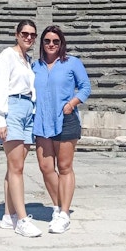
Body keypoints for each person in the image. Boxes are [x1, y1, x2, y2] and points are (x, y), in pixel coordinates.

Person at [32, 25, 91, 234]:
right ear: (42, 43)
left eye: (55, 41)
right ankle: (57, 207)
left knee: (64, 167)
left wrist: (72, 103)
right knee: (45, 167)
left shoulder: (72, 62)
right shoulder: (35, 66)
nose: (51, 44)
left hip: (65, 119)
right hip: (41, 121)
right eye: (47, 41)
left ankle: (64, 213)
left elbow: (85, 87)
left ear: (61, 43)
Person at [0, 20, 43, 237]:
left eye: (32, 35)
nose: (29, 37)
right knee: (16, 168)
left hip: (27, 110)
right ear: (17, 34)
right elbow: (1, 86)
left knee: (14, 166)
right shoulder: (8, 55)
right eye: (25, 33)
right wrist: (0, 118)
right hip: (12, 108)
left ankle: (7, 216)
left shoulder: (28, 60)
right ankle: (22, 220)